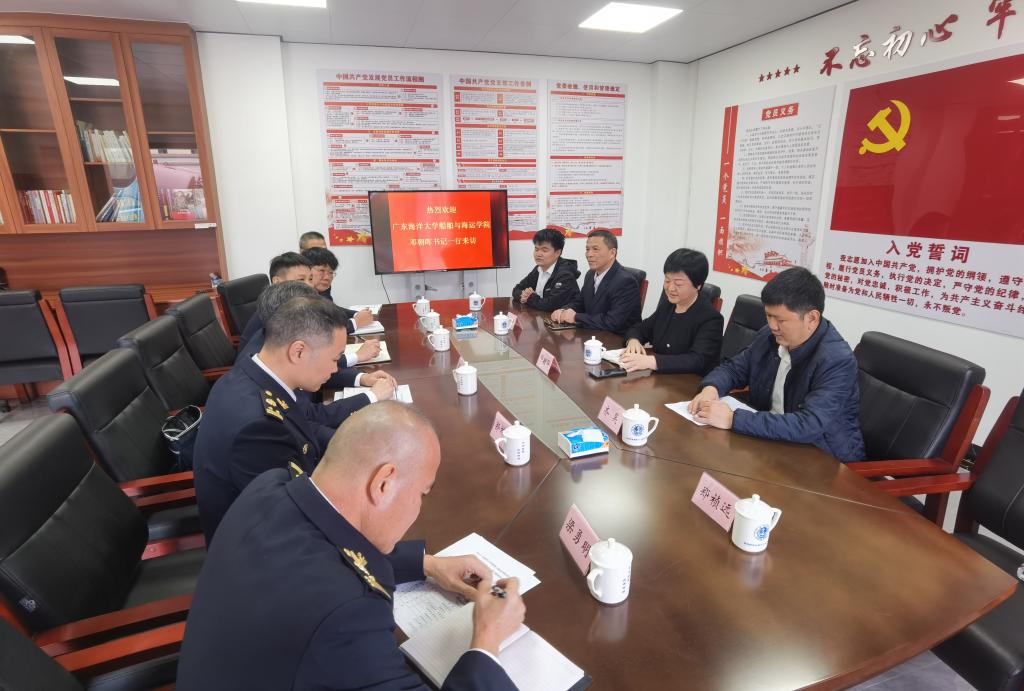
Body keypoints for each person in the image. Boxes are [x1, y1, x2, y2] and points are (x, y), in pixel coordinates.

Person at [177, 402, 523, 690]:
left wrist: (427, 564)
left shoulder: (270, 486)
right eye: (422, 493)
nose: (419, 506)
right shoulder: (348, 616)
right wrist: (487, 640)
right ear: (383, 483)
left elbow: (330, 544)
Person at [195, 296, 358, 541]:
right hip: (259, 547)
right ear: (298, 351)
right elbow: (296, 520)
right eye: (335, 359)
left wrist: (354, 445)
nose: (335, 369)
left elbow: (302, 431)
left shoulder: (251, 376)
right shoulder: (257, 428)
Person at [688, 267, 865, 462]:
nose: (772, 325)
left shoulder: (836, 360)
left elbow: (809, 424)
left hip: (823, 457)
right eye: (768, 316)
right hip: (773, 440)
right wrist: (711, 388)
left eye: (780, 319)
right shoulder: (769, 336)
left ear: (811, 318)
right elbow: (734, 368)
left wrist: (733, 419)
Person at [235, 280, 396, 449]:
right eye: (334, 359)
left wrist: (361, 378)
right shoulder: (259, 421)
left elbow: (306, 415)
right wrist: (359, 445)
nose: (335, 368)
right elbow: (308, 422)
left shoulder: (270, 353)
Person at [620, 249, 723, 375]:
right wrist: (633, 340)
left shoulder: (711, 318)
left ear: (698, 285)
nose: (670, 288)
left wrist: (652, 361)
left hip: (689, 382)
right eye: (667, 281)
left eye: (678, 284)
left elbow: (697, 360)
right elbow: (640, 328)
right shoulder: (668, 305)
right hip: (660, 378)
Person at [550, 229, 641, 335]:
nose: (589, 254)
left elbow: (612, 322)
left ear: (612, 253)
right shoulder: (590, 274)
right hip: (593, 333)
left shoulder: (625, 281)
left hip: (617, 339)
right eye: (587, 249)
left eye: (595, 249)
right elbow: (580, 303)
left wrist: (575, 317)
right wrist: (563, 311)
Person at [302, 245, 374, 331]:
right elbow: (322, 329)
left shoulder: (323, 290)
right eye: (321, 271)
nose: (327, 277)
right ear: (306, 270)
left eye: (331, 272)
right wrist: (355, 322)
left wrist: (357, 314)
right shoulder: (299, 294)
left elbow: (332, 309)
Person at [511, 227, 580, 311]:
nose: (538, 254)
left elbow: (550, 305)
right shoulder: (539, 268)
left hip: (561, 318)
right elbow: (516, 290)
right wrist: (526, 296)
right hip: (541, 316)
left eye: (544, 250)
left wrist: (530, 297)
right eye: (536, 249)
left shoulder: (565, 274)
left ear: (557, 253)